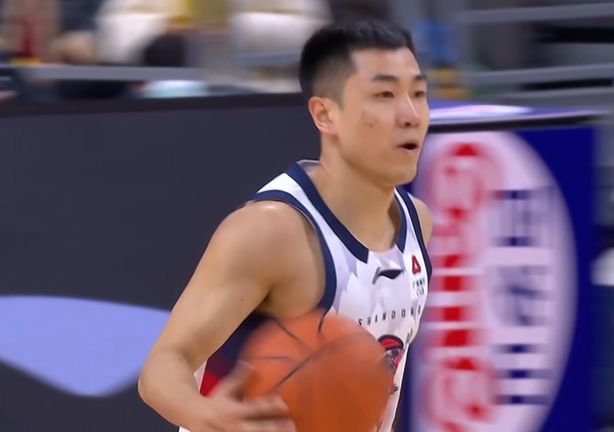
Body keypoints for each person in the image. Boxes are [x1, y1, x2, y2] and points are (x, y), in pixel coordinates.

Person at [138, 20, 433, 432]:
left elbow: (377, 385)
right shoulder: (270, 232)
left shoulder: (417, 222)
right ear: (325, 115)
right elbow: (163, 366)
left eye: (418, 94)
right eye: (384, 95)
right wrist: (206, 415)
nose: (411, 115)